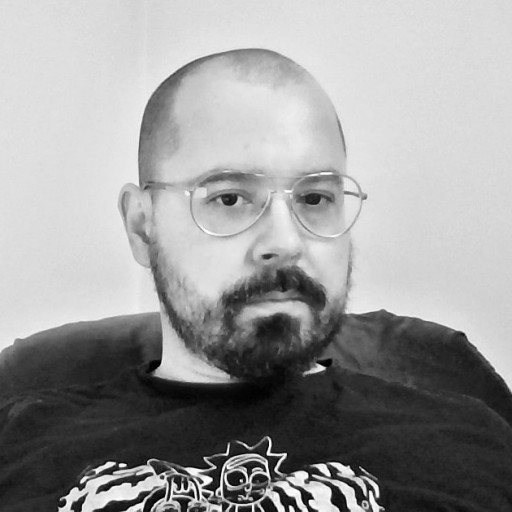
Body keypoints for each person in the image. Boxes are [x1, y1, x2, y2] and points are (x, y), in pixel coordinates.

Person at [1, 48, 511, 512]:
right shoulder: (20, 442)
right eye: (229, 198)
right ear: (142, 225)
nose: (286, 242)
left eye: (315, 198)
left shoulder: (473, 440)